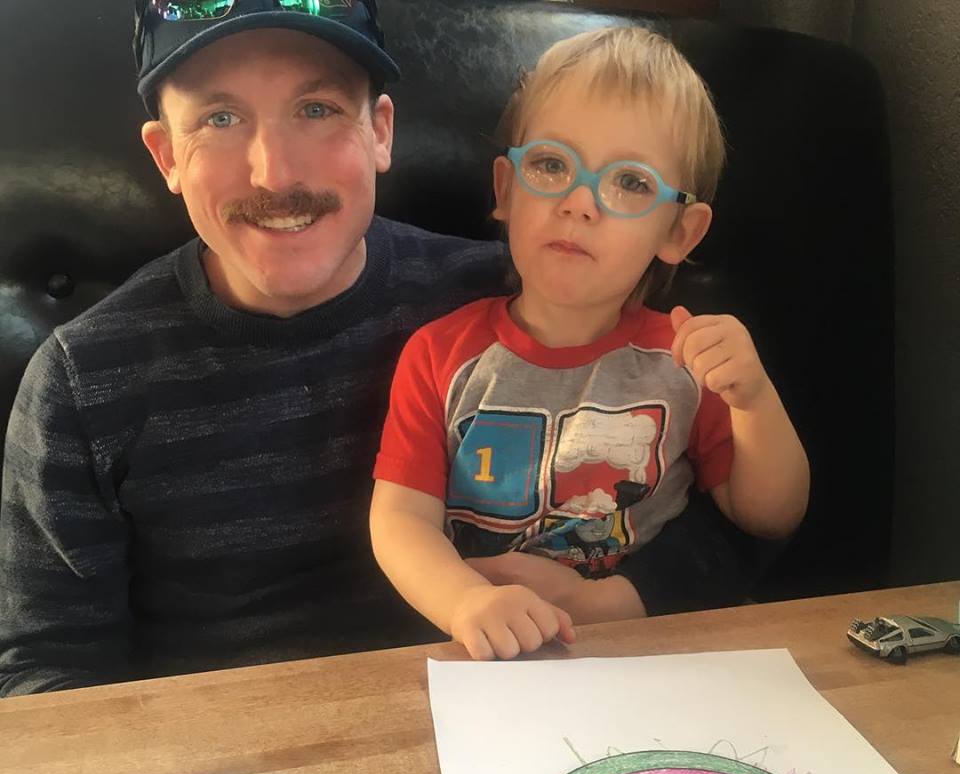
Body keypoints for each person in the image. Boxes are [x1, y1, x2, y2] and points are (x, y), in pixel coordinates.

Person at [0, 6, 760, 698]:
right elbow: (50, 672)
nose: (276, 173)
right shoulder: (81, 381)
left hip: (499, 714)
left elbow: (716, 499)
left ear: (382, 131)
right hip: (229, 772)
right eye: (221, 117)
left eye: (317, 108)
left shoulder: (510, 295)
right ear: (167, 156)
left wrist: (621, 597)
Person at [370, 26, 810, 661]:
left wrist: (755, 400)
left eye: (630, 182)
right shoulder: (440, 354)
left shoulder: (686, 363)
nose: (579, 202)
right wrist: (464, 600)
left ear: (680, 234)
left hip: (644, 654)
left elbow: (768, 516)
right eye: (551, 164)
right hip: (488, 661)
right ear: (506, 190)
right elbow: (400, 522)